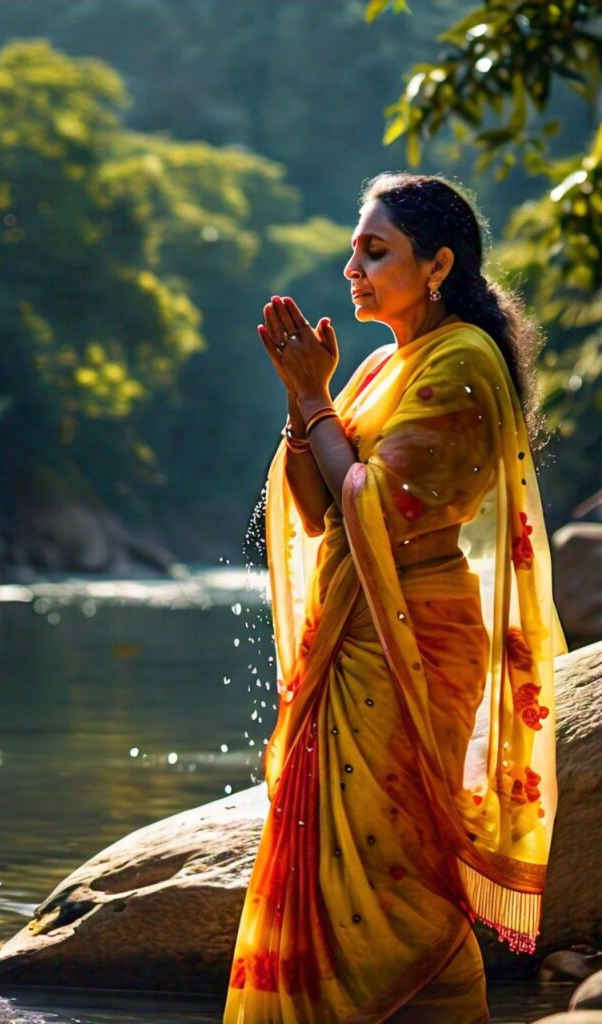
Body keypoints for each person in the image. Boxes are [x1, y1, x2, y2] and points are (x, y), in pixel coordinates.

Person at [222, 172, 569, 1024]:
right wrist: (304, 404)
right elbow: (316, 507)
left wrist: (312, 399)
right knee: (332, 848)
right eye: (353, 250)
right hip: (359, 631)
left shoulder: (463, 360)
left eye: (375, 251)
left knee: (395, 859)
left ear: (439, 263)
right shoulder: (382, 366)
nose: (353, 268)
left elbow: (383, 505)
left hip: (417, 630)